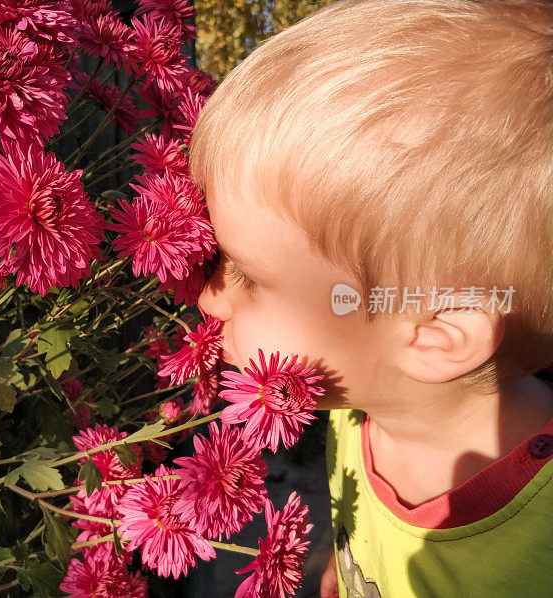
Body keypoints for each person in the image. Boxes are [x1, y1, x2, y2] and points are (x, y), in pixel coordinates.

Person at [190, 1, 553, 596]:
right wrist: (350, 561)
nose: (211, 298)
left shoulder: (532, 557)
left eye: (249, 276)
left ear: (435, 335)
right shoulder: (368, 400)